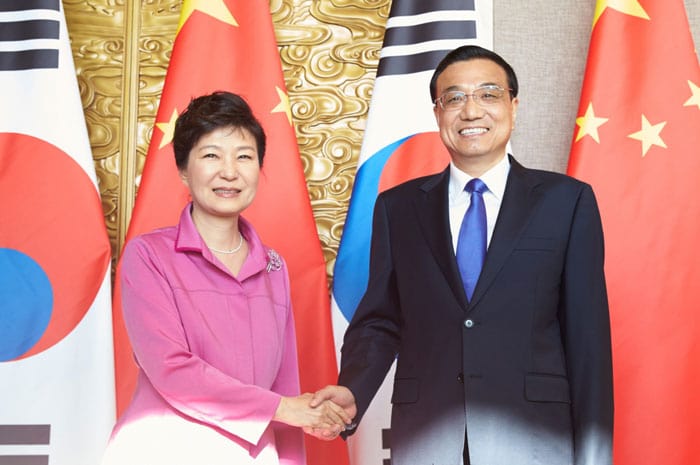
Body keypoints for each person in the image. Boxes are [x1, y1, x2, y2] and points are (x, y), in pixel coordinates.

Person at [310, 45, 614, 465]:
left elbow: (587, 341)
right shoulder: (397, 208)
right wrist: (353, 390)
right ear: (438, 113)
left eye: (488, 94)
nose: (471, 111)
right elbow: (380, 319)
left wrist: (596, 455)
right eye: (454, 98)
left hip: (533, 439)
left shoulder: (567, 202)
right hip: (427, 437)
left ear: (513, 105)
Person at [101, 91, 350, 465]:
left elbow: (284, 384)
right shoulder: (149, 255)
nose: (230, 172)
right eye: (211, 155)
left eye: (245, 156)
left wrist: (301, 429)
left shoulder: (273, 266)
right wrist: (284, 408)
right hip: (163, 448)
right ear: (184, 168)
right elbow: (171, 370)